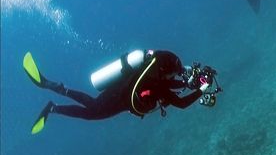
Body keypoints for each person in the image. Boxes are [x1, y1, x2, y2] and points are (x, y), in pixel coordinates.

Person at [23, 49, 214, 134]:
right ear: (165, 72)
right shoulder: (158, 84)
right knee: (91, 112)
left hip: (117, 91)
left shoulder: (152, 71)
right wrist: (202, 89)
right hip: (118, 100)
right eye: (172, 74)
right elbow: (180, 103)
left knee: (91, 106)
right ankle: (53, 105)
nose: (173, 77)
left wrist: (187, 84)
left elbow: (169, 85)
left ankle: (56, 92)